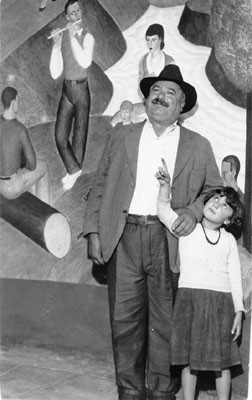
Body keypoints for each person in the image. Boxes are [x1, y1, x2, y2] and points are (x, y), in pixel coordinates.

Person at [83, 64, 222, 400]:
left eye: (169, 93)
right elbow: (99, 184)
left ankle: (162, 392)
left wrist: (190, 211)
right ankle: (129, 391)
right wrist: (93, 232)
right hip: (124, 237)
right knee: (124, 320)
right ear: (146, 99)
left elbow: (215, 190)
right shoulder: (121, 136)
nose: (160, 97)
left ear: (182, 105)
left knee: (166, 322)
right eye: (155, 91)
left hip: (169, 241)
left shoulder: (198, 145)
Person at [156, 160, 244, 400]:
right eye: (216, 198)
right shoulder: (188, 229)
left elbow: (235, 277)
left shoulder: (227, 241)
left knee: (221, 363)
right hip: (189, 301)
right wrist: (165, 187)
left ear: (228, 220)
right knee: (189, 361)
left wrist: (238, 311)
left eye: (226, 205)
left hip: (220, 304)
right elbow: (164, 212)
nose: (218, 203)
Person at [49, 0, 95, 190]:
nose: (76, 15)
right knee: (60, 136)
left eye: (78, 11)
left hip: (82, 90)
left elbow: (84, 62)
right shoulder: (65, 37)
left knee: (79, 137)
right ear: (67, 17)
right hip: (67, 90)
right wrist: (56, 46)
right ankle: (74, 170)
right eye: (72, 12)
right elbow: (55, 72)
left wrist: (71, 36)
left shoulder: (88, 37)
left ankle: (73, 172)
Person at [0, 87, 50, 203]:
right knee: (43, 167)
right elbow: (32, 165)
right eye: (17, 100)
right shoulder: (20, 129)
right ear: (13, 102)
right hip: (11, 188)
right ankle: (44, 209)